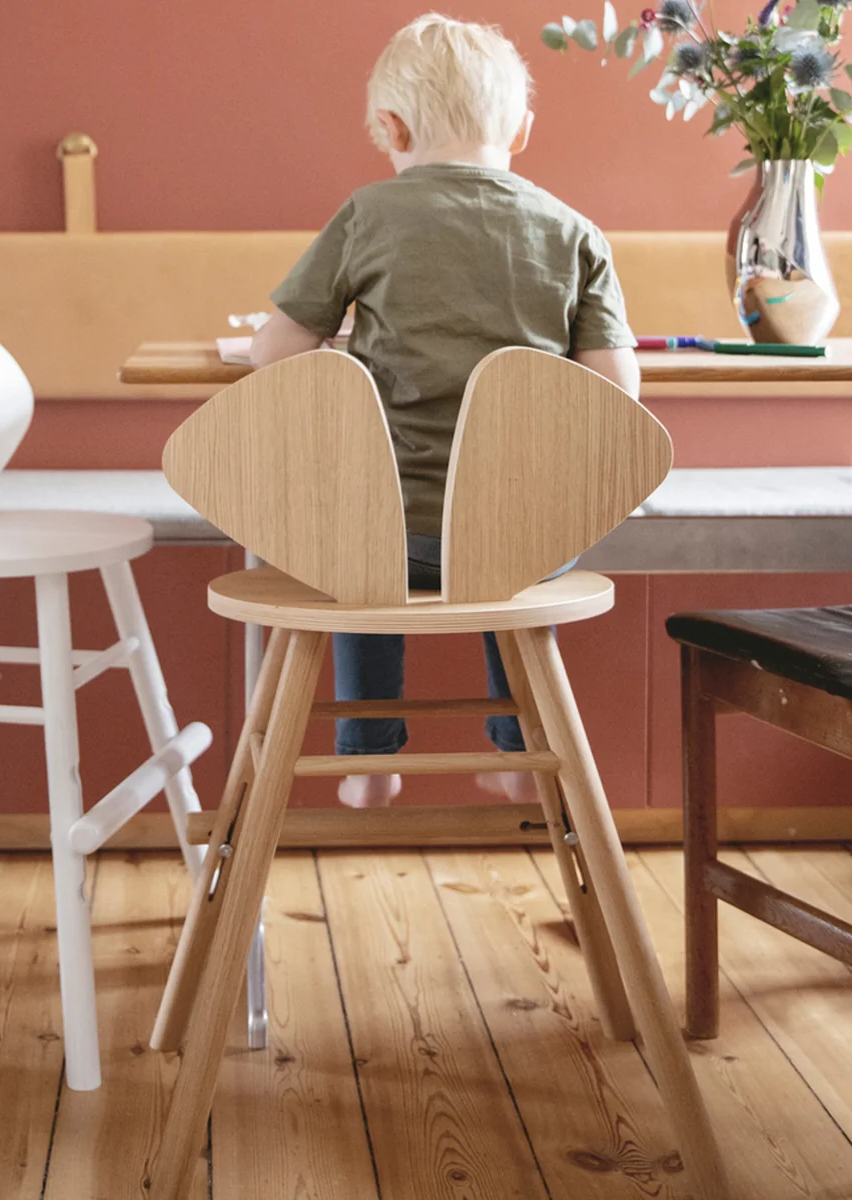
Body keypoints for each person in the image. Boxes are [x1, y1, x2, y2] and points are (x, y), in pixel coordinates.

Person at [251, 12, 639, 808]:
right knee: (512, 525)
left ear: (391, 128)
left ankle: (368, 759)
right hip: (526, 538)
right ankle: (521, 752)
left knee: (354, 545)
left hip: (389, 539)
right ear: (521, 132)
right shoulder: (574, 233)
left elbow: (275, 354)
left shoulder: (369, 214)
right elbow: (615, 395)